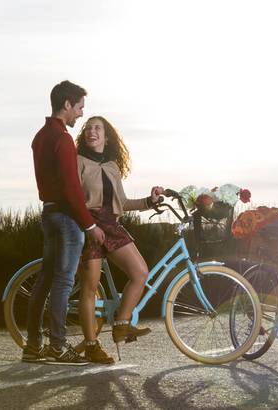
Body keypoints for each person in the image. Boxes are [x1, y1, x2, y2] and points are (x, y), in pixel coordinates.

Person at [23, 80, 106, 365]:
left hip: (48, 214)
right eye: (79, 107)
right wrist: (90, 225)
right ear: (67, 104)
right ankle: (58, 346)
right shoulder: (62, 138)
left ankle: (33, 346)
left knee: (45, 279)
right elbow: (72, 189)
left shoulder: (40, 136)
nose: (81, 113)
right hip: (67, 220)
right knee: (63, 282)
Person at [75, 116, 164, 364]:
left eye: (97, 128)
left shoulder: (112, 166)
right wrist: (86, 226)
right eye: (88, 128)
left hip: (111, 225)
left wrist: (149, 201)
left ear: (106, 137)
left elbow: (122, 203)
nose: (92, 131)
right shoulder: (78, 161)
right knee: (90, 288)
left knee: (140, 272)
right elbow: (73, 198)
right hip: (88, 224)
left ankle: (122, 324)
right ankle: (91, 346)